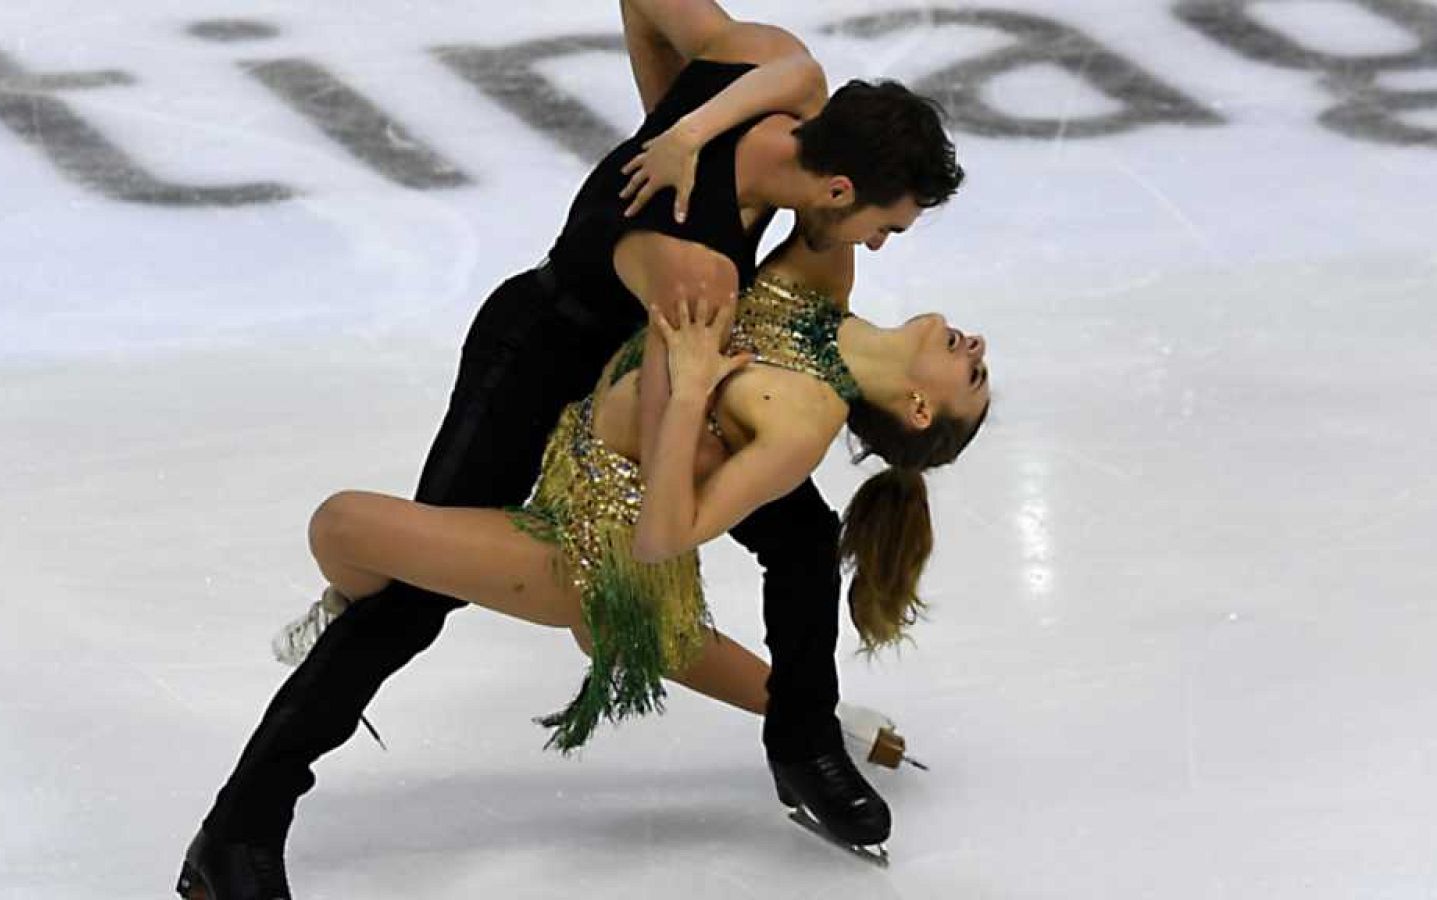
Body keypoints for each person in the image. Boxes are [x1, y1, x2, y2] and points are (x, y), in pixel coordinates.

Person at [177, 2, 966, 896]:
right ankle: (237, 830)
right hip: (539, 362)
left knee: (800, 538)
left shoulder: (765, 68)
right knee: (409, 602)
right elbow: (666, 501)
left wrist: (674, 126)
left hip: (631, 364)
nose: (875, 245)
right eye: (885, 226)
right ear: (835, 190)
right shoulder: (697, 269)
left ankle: (802, 740)